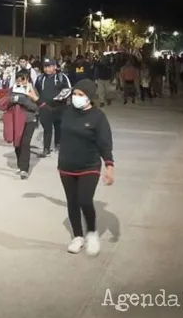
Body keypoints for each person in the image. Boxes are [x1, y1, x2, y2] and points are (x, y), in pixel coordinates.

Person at [58, 79, 114, 256]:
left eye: (80, 95)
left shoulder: (98, 117)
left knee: (84, 200)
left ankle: (91, 233)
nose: (76, 97)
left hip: (89, 165)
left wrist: (109, 166)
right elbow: (47, 108)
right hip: (66, 165)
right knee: (72, 202)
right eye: (74, 94)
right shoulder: (67, 112)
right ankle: (77, 237)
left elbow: (105, 144)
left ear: (89, 97)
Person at [0, 71, 40, 179]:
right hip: (15, 120)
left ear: (28, 80)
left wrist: (24, 101)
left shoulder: (32, 90)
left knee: (25, 143)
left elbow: (36, 107)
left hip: (29, 120)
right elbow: (3, 104)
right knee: (18, 143)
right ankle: (20, 165)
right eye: (18, 79)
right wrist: (11, 100)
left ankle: (24, 169)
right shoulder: (12, 90)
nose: (20, 82)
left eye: (23, 79)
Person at [34, 58, 71, 157]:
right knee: (47, 128)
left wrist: (62, 97)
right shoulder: (40, 78)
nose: (47, 69)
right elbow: (36, 91)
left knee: (58, 126)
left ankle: (58, 144)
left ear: (55, 66)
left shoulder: (62, 77)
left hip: (59, 107)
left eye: (49, 66)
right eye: (45, 66)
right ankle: (46, 148)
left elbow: (68, 89)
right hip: (45, 107)